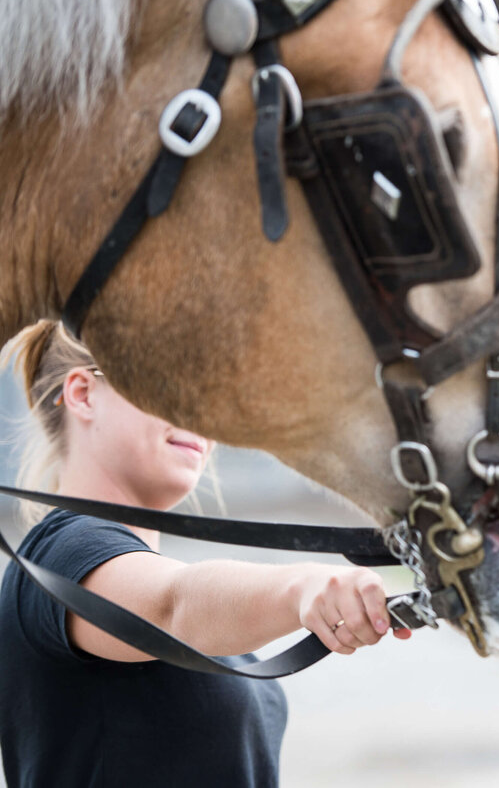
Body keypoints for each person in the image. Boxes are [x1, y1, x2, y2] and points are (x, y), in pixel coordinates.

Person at [0, 321, 409, 787]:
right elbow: (174, 606)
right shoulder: (58, 553)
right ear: (83, 394)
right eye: (168, 382)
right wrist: (306, 587)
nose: (198, 414)